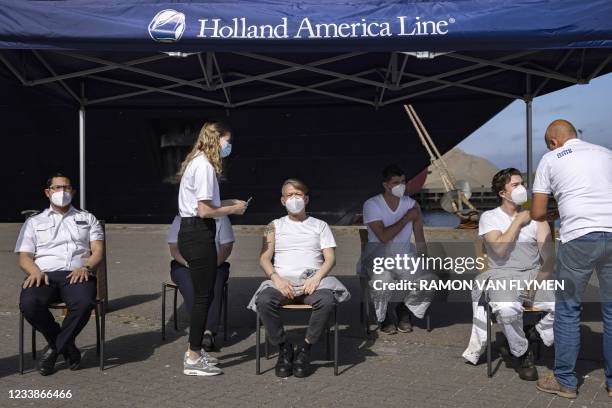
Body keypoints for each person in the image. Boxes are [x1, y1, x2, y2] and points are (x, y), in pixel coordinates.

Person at [531, 120, 612, 399]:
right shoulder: (606, 153)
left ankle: (565, 381)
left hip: (579, 237)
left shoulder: (550, 158)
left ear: (554, 141)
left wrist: (557, 210)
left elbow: (538, 211)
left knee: (567, 310)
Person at [248, 178, 350, 378]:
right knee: (264, 301)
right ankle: (283, 347)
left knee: (327, 301)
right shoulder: (272, 226)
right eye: (289, 195)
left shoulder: (321, 225)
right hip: (281, 283)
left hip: (312, 282)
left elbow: (330, 258)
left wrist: (317, 278)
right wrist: (276, 278)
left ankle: (305, 349)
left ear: (306, 199)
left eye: (298, 195)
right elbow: (264, 258)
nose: (294, 199)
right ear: (282, 200)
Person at [462, 168, 555, 381]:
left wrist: (535, 285)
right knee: (505, 309)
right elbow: (500, 250)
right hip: (501, 275)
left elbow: (549, 259)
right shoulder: (489, 217)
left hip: (533, 274)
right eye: (515, 185)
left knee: (563, 307)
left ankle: (534, 334)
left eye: (522, 183)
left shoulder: (538, 219)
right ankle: (522, 353)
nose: (522, 188)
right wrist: (518, 222)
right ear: (502, 193)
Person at [16, 172, 104, 376]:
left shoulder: (87, 218)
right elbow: (24, 257)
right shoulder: (34, 222)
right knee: (29, 304)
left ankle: (55, 349)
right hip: (43, 275)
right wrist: (34, 271)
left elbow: (98, 251)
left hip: (77, 274)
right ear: (48, 193)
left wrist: (86, 268)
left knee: (84, 304)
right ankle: (67, 346)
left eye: (66, 188)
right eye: (57, 188)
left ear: (73, 191)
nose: (62, 192)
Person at [177, 121, 247, 376]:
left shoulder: (196, 162)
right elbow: (205, 210)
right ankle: (193, 357)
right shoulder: (205, 166)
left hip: (193, 231)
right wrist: (234, 209)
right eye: (227, 142)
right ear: (216, 141)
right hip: (198, 233)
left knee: (203, 296)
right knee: (203, 298)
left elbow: (207, 203)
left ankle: (195, 352)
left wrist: (229, 202)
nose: (229, 147)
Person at [361, 164, 431, 334]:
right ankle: (382, 316)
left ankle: (404, 310)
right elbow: (383, 237)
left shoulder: (412, 204)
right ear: (386, 185)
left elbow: (419, 238)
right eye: (396, 182)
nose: (401, 186)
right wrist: (407, 218)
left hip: (404, 257)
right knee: (382, 282)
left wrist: (426, 260)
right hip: (378, 258)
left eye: (403, 181)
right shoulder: (372, 205)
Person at [167, 215, 234, 351]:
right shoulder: (180, 219)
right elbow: (174, 247)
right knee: (189, 284)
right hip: (184, 265)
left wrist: (211, 265)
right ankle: (200, 331)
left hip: (215, 263)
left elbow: (226, 246)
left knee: (214, 281)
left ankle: (208, 332)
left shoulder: (221, 218)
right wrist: (187, 263)